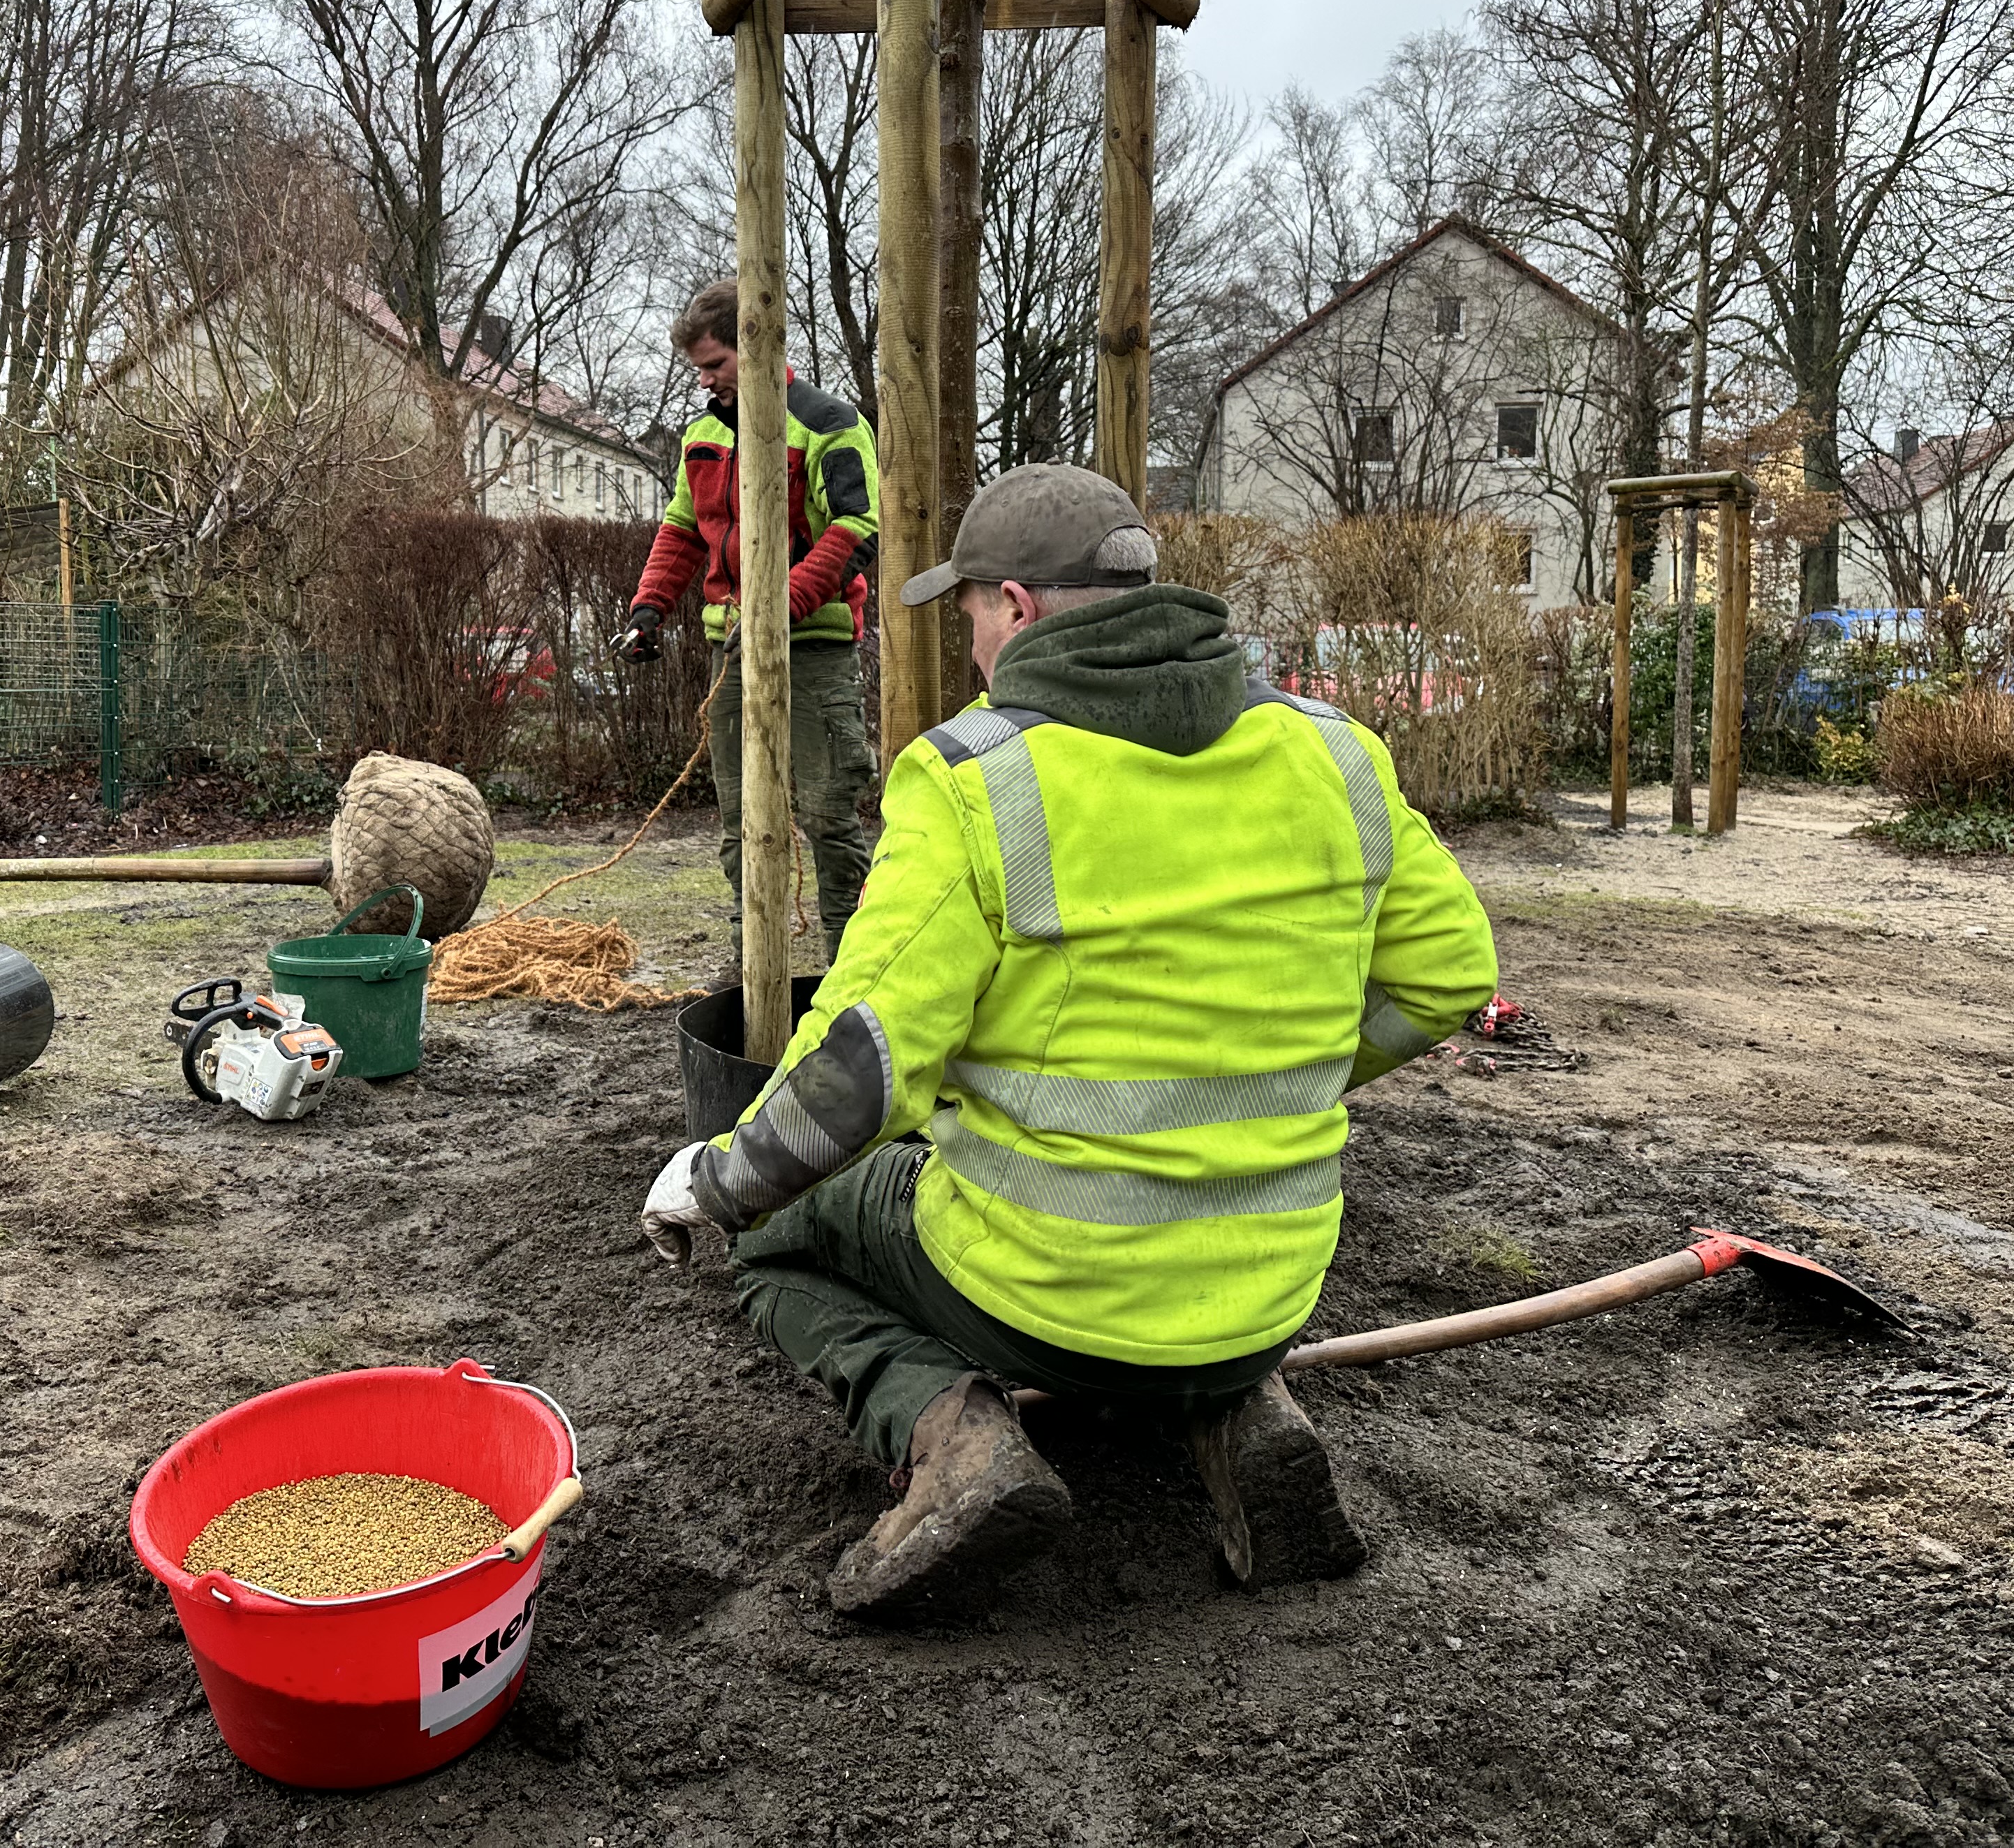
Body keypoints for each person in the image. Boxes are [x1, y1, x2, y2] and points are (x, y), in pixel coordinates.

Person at [638, 464, 1499, 1617]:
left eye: (971, 617)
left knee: (782, 1239)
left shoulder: (974, 778)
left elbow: (865, 1068)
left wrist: (719, 1177)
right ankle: (1240, 1412)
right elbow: (1450, 974)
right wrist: (1275, 1080)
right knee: (1186, 1321)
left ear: (1017, 606)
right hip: (1269, 1292)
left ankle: (953, 1443)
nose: (973, 646)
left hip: (1045, 1296)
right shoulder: (1332, 751)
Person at [616, 277, 882, 962]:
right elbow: (682, 527)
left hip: (816, 651)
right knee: (742, 822)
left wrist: (781, 606)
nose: (706, 383)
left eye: (715, 365)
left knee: (828, 815)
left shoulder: (830, 422)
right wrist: (649, 608)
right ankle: (749, 972)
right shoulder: (702, 434)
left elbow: (858, 527)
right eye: (699, 370)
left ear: (758, 348)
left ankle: (849, 969)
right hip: (729, 655)